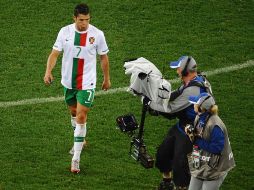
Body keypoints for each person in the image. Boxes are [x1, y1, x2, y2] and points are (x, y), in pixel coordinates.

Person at [43, 3, 111, 173]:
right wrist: (48, 71)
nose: (84, 23)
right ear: (74, 18)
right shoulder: (64, 32)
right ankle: (81, 139)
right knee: (73, 112)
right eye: (81, 20)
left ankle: (76, 159)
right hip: (68, 82)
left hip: (87, 83)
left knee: (81, 116)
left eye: (87, 20)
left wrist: (106, 78)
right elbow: (54, 54)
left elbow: (103, 57)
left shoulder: (97, 34)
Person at [148, 56, 213, 190]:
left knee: (180, 165)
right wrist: (157, 96)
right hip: (182, 126)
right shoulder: (192, 81)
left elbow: (171, 110)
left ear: (185, 70)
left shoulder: (193, 89)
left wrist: (151, 104)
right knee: (163, 155)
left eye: (178, 68)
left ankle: (182, 187)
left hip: (193, 131)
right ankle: (167, 183)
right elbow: (177, 95)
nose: (177, 71)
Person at [186, 92, 235, 190]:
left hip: (216, 168)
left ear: (201, 107)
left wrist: (196, 140)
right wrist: (191, 131)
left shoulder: (215, 125)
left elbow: (217, 148)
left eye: (196, 103)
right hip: (202, 162)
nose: (193, 104)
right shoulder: (199, 117)